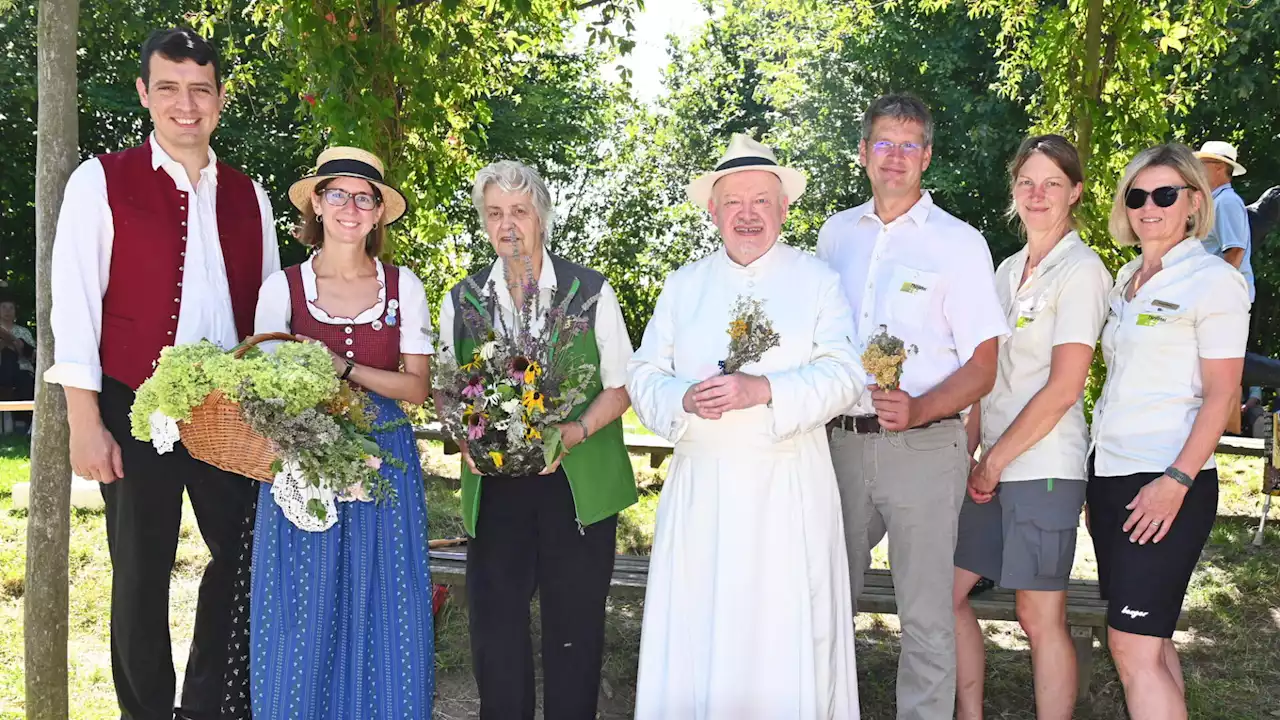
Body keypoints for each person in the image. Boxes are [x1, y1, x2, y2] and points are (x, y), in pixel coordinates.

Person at [44, 28, 279, 720]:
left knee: (244, 560)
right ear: (145, 94)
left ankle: (205, 708)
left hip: (225, 414)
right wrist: (84, 423)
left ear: (221, 99)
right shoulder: (101, 181)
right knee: (140, 578)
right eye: (170, 87)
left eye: (200, 89)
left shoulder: (250, 196)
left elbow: (262, 313)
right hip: (129, 403)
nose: (186, 104)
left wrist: (267, 414)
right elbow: (76, 307)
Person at [629, 134, 862, 717]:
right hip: (702, 494)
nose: (748, 214)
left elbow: (845, 374)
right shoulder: (684, 285)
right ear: (713, 211)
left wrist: (764, 390)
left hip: (788, 494)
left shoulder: (818, 281)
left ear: (784, 209)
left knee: (783, 634)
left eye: (762, 200)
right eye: (734, 202)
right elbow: (643, 372)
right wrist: (684, 399)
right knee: (701, 630)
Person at [817, 94, 1008, 720]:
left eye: (908, 145)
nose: (894, 157)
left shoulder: (960, 243)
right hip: (838, 443)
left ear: (926, 156)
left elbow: (984, 364)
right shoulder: (834, 234)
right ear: (863, 153)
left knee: (925, 614)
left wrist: (921, 408)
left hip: (926, 449)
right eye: (882, 143)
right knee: (824, 599)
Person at [437, 160, 637, 719]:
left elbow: (622, 387)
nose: (508, 225)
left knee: (574, 630)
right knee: (495, 629)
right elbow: (447, 391)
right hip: (495, 487)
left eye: (519, 212)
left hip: (575, 486)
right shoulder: (463, 299)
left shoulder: (589, 291)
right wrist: (463, 440)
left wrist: (574, 431)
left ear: (541, 218)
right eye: (495, 213)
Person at [250, 146, 435, 718]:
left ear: (379, 212)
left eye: (364, 198)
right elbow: (263, 387)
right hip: (304, 453)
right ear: (317, 204)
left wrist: (345, 369)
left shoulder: (405, 286)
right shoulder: (281, 287)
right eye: (338, 194)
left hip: (386, 455)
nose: (350, 207)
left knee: (385, 597)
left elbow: (417, 387)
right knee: (305, 601)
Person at [951, 135, 1112, 719]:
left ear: (1075, 191)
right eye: (1026, 182)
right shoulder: (1006, 269)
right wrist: (971, 452)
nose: (1037, 194)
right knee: (947, 595)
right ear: (1014, 191)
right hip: (988, 466)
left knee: (1038, 618)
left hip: (1043, 468)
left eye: (1051, 183)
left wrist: (993, 462)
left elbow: (1065, 387)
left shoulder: (1083, 270)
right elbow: (983, 374)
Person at [1090, 143, 1248, 720]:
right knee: (1149, 643)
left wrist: (1175, 481)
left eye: (1163, 194)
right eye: (1137, 195)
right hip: (1111, 477)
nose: (1148, 207)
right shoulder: (1127, 278)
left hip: (1166, 482)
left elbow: (1222, 394)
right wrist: (1096, 479)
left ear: (1193, 202)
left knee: (1131, 646)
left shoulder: (1213, 281)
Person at [1194, 141, 1254, 302]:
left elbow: (1235, 251)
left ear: (1219, 167)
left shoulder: (1227, 202)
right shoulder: (1217, 201)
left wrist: (1214, 291)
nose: (1196, 170)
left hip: (1224, 297)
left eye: (1201, 164)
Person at [0, 297, 36, 427]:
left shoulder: (23, 331)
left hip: (22, 369)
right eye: (3, 307)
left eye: (11, 308)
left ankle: (23, 421)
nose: (7, 311)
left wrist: (19, 347)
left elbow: (33, 355)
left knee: (25, 380)